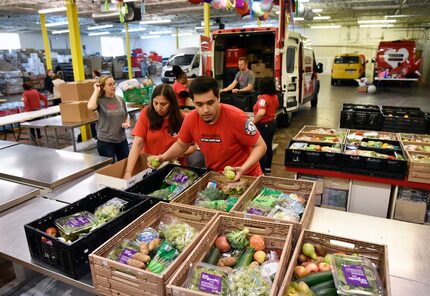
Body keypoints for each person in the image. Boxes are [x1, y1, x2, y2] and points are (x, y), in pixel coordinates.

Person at [152, 76, 267, 181]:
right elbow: (182, 145)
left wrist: (242, 168)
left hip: (247, 176)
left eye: (210, 102)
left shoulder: (237, 118)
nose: (205, 110)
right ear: (193, 102)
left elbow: (261, 146)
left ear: (218, 98)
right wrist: (163, 157)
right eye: (199, 104)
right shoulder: (191, 119)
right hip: (216, 178)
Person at [123, 84, 196, 179]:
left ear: (172, 103)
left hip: (175, 170)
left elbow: (192, 147)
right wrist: (128, 172)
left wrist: (170, 156)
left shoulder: (183, 119)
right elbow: (137, 144)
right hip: (150, 168)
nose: (158, 107)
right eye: (155, 103)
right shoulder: (146, 114)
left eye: (163, 104)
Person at [87, 75, 130, 162]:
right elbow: (91, 107)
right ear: (103, 87)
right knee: (110, 168)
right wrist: (96, 90)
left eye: (114, 84)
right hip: (106, 142)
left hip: (121, 139)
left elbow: (125, 115)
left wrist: (127, 123)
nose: (113, 86)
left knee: (125, 164)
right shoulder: (99, 101)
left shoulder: (120, 99)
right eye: (110, 85)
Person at [253, 77, 279, 174]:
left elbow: (261, 113)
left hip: (263, 125)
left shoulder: (263, 98)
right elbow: (276, 106)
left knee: (261, 148)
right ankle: (268, 168)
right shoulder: (274, 96)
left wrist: (253, 122)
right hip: (272, 123)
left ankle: (261, 171)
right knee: (268, 146)